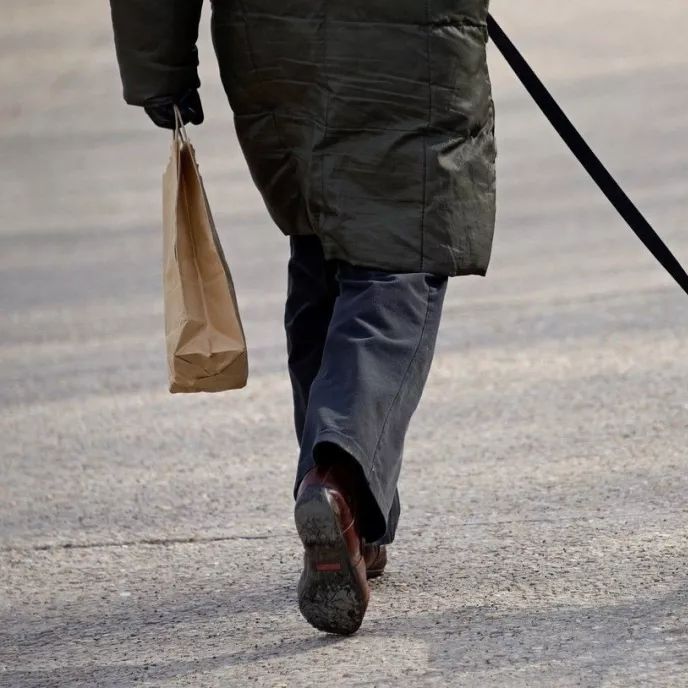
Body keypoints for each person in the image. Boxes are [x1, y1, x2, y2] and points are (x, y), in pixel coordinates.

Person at [109, 0, 496, 635]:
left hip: (271, 41)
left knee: (321, 246)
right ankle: (339, 481)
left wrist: (158, 68)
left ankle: (352, 523)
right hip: (411, 41)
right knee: (397, 261)